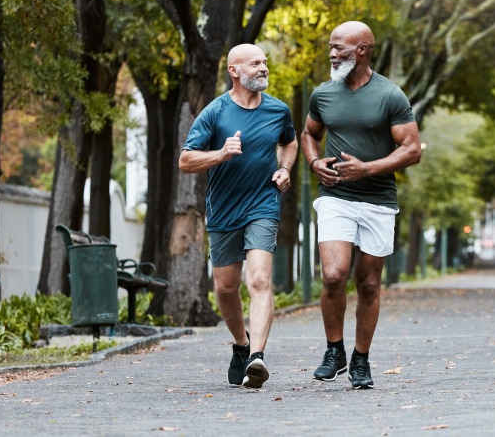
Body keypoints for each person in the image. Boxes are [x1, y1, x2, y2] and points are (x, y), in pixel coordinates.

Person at [300, 21, 422, 389]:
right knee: (334, 275)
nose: (333, 53)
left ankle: (361, 359)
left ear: (363, 50)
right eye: (331, 47)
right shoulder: (324, 94)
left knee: (368, 284)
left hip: (378, 201)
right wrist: (313, 162)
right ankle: (333, 349)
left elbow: (412, 149)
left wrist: (367, 168)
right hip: (336, 196)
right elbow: (309, 133)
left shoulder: (390, 96)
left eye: (341, 48)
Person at [179, 44, 298, 389]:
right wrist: (220, 154)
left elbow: (289, 142)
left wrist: (285, 169)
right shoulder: (215, 112)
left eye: (265, 62)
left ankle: (257, 357)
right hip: (224, 210)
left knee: (259, 280)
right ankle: (241, 345)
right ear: (234, 70)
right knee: (225, 287)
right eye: (256, 63)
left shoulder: (278, 110)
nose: (264, 67)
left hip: (262, 204)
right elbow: (186, 160)